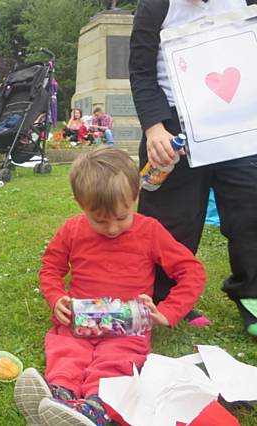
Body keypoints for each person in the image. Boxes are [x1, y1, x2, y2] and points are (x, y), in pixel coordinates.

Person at [13, 147, 205, 425]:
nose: (113, 228)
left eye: (122, 217)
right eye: (100, 220)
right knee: (67, 349)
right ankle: (59, 393)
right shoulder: (71, 230)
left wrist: (168, 311)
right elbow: (52, 268)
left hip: (128, 323)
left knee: (117, 359)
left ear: (135, 196)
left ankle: (96, 405)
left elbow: (192, 271)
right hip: (81, 316)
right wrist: (56, 298)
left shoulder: (149, 231)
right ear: (80, 203)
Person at [130, 0, 257, 333]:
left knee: (250, 210)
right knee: (172, 220)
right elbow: (141, 71)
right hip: (172, 126)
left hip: (237, 120)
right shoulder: (154, 6)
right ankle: (166, 297)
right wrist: (154, 126)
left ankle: (252, 295)